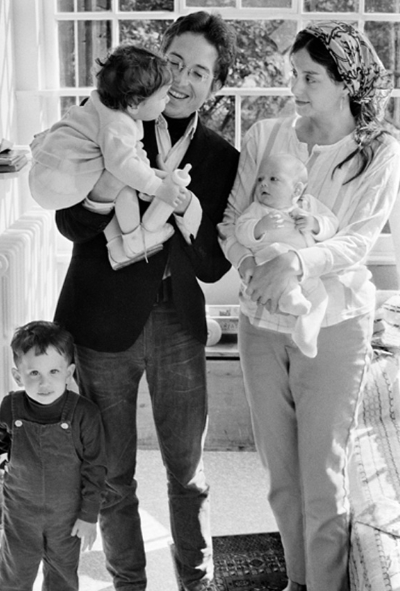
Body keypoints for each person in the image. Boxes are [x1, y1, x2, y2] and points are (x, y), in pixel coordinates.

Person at [48, 11, 238, 591]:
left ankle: (195, 581)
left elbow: (213, 263)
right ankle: (129, 583)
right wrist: (107, 193)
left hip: (178, 325)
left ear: (216, 87)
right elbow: (68, 222)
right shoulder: (106, 115)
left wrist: (183, 215)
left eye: (199, 73)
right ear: (159, 59)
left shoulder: (220, 157)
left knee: (188, 475)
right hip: (101, 322)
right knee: (111, 476)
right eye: (175, 62)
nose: (181, 80)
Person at [219, 20, 400, 591]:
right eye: (292, 74)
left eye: (309, 77)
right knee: (278, 475)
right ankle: (298, 582)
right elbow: (230, 223)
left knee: (322, 478)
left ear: (344, 83)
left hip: (337, 325)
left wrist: (294, 263)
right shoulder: (266, 135)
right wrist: (254, 270)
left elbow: (357, 241)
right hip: (258, 324)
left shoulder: (379, 153)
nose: (295, 87)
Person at [29, 44, 188, 268]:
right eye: (162, 97)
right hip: (58, 179)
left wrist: (156, 176)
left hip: (50, 170)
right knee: (124, 179)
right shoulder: (117, 124)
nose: (168, 100)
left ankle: (117, 246)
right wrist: (159, 188)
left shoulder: (111, 106)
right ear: (134, 103)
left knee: (124, 174)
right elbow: (125, 164)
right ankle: (134, 240)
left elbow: (134, 155)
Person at [0, 321, 107, 591]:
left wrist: (89, 515)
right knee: (14, 576)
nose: (44, 382)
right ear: (17, 376)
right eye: (33, 372)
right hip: (19, 514)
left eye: (54, 371)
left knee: (62, 578)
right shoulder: (9, 407)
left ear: (69, 372)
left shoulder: (85, 414)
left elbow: (96, 469)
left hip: (67, 518)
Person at [235, 151, 338, 357]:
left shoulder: (307, 205)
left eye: (274, 179)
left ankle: (306, 333)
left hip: (303, 270)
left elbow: (332, 223)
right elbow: (240, 231)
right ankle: (290, 297)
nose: (264, 184)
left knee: (320, 297)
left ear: (297, 189)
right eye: (261, 179)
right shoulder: (258, 210)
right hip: (270, 265)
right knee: (277, 251)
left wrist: (314, 223)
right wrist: (259, 227)